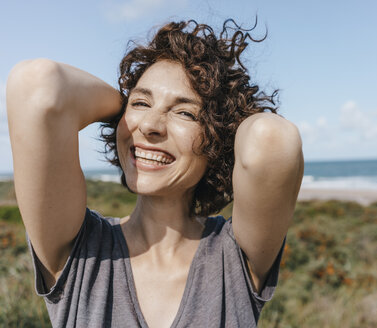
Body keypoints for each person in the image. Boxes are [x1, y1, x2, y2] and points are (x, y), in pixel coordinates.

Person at [6, 19, 303, 327]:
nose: (149, 125)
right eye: (141, 102)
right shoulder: (79, 250)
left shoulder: (234, 258)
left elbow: (272, 140)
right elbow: (36, 85)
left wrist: (225, 122)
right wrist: (123, 114)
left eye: (184, 112)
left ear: (216, 138)